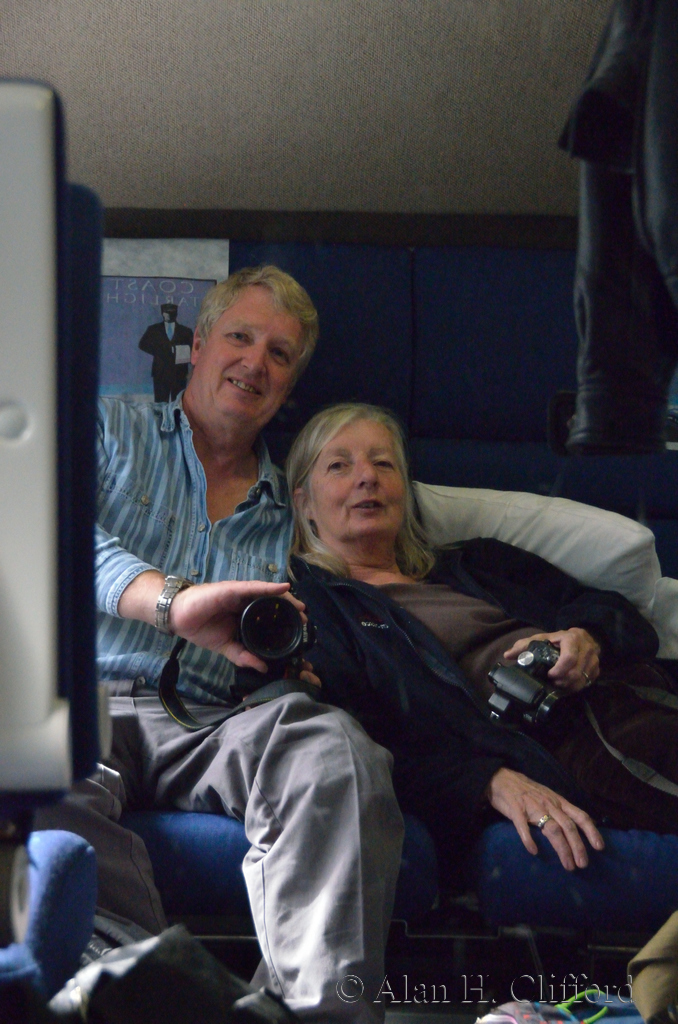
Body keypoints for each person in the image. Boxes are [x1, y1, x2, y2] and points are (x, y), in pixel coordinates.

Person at [36, 269, 405, 1024]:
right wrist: (172, 601)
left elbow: (361, 598)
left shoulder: (299, 509)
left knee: (336, 750)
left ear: (289, 385)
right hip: (83, 693)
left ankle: (314, 1015)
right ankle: (152, 993)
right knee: (30, 766)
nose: (255, 362)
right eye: (241, 337)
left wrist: (310, 665)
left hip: (221, 720)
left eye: (279, 353)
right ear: (199, 345)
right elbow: (44, 528)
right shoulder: (107, 428)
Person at [286, 402, 678, 887]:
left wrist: (585, 637)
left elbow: (619, 615)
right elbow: (360, 745)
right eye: (339, 466)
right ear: (304, 502)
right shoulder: (318, 611)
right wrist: (484, 780)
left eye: (384, 463)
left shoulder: (475, 561)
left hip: (632, 689)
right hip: (563, 742)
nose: (367, 477)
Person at [138, 301, 194, 401]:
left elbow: (193, 349)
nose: (168, 315)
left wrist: (179, 351)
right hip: (160, 372)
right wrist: (160, 351)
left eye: (171, 313)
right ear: (162, 313)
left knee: (178, 403)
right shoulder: (153, 329)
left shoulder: (186, 331)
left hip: (179, 373)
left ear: (176, 314)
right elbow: (142, 344)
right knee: (160, 402)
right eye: (166, 313)